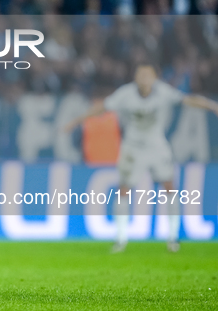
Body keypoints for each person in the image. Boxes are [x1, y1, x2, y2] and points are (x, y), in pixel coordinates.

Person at [65, 63, 218, 253]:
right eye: (141, 75)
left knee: (169, 187)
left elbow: (188, 99)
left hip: (156, 146)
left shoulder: (163, 92)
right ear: (135, 78)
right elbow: (101, 108)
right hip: (133, 147)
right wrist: (76, 121)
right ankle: (120, 238)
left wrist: (212, 105)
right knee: (123, 189)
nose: (144, 79)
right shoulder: (125, 94)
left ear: (154, 78)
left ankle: (172, 237)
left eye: (148, 75)